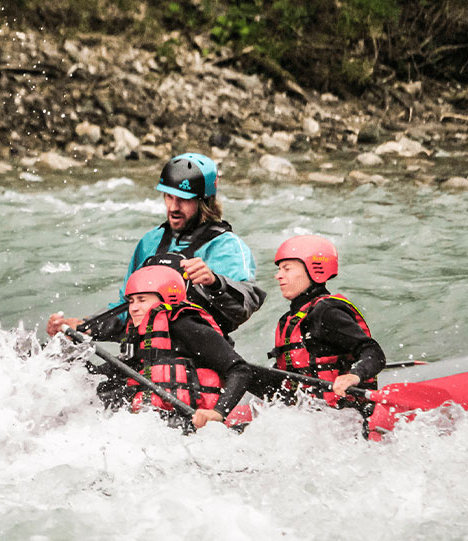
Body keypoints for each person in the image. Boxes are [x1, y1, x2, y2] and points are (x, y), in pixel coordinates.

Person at [46, 152, 265, 341]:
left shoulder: (226, 246)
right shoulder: (151, 242)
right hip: (145, 353)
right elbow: (127, 308)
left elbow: (244, 305)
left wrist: (215, 282)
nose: (173, 207)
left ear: (204, 201)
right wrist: (84, 326)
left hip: (197, 356)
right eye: (168, 197)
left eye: (183, 199)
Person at [93, 263, 255, 430]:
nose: (133, 308)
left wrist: (218, 412)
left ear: (166, 299)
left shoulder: (186, 325)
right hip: (156, 423)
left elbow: (240, 370)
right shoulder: (142, 338)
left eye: (142, 300)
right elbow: (101, 378)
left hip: (194, 424)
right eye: (132, 301)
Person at [255, 235, 386, 409]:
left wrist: (354, 376)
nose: (278, 276)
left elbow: (374, 353)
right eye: (279, 269)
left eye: (287, 269)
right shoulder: (290, 318)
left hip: (342, 413)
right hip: (306, 413)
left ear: (313, 270)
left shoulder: (327, 311)